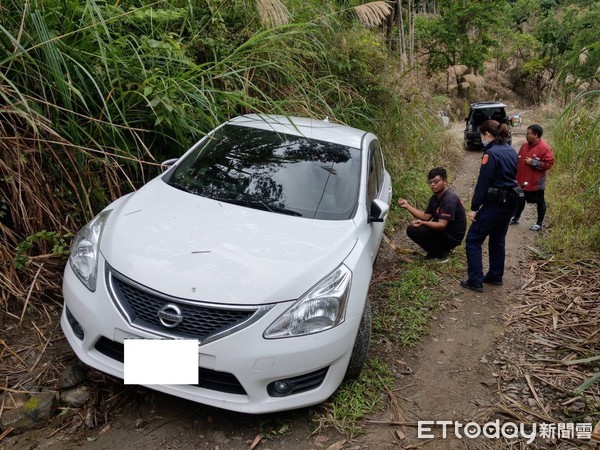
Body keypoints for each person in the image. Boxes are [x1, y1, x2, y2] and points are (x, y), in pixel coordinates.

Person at [461, 120, 519, 292]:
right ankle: (495, 276)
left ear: (487, 134)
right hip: (510, 204)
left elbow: (483, 182)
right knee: (497, 239)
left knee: (473, 239)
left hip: (494, 204)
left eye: (481, 135)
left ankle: (475, 280)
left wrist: (474, 207)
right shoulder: (510, 150)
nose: (481, 138)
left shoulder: (491, 154)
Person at [397, 167, 466, 263]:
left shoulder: (449, 200)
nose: (432, 185)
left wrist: (423, 223)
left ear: (445, 181)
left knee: (413, 230)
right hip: (445, 232)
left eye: (436, 181)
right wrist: (407, 206)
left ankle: (439, 255)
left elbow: (441, 226)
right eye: (430, 182)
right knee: (414, 228)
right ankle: (441, 249)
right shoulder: (436, 196)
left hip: (452, 237)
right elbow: (426, 217)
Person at [509, 124, 555, 231]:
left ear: (536, 135)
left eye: (528, 133)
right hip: (521, 182)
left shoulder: (545, 148)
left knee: (539, 201)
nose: (526, 135)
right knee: (519, 199)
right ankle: (515, 218)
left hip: (535, 183)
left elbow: (548, 164)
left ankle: (539, 224)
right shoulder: (524, 146)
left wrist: (533, 162)